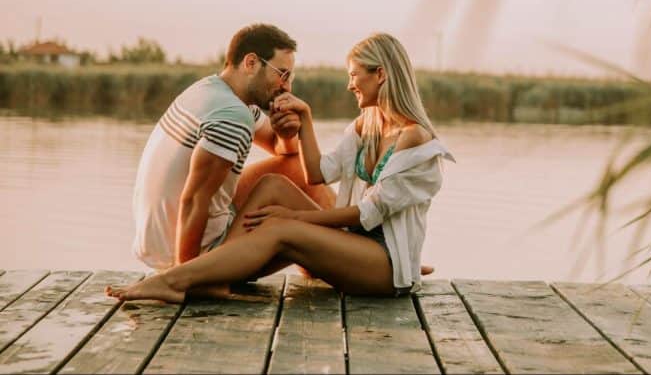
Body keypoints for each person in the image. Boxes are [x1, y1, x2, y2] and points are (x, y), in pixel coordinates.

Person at [109, 31, 453, 301]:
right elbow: (317, 173)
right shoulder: (368, 124)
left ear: (379, 74)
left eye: (354, 75)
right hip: (360, 247)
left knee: (280, 230)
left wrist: (294, 218)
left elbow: (368, 213)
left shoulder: (414, 138)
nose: (349, 84)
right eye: (283, 73)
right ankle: (205, 275)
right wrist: (305, 119)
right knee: (272, 187)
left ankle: (175, 281)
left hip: (384, 265)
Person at [131, 23, 335, 271]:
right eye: (281, 74)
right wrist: (185, 277)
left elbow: (284, 151)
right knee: (298, 231)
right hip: (191, 252)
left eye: (290, 77)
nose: (287, 86)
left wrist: (287, 132)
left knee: (296, 168)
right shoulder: (232, 116)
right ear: (250, 63)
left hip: (157, 242)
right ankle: (345, 253)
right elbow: (195, 200)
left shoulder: (212, 92)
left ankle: (329, 256)